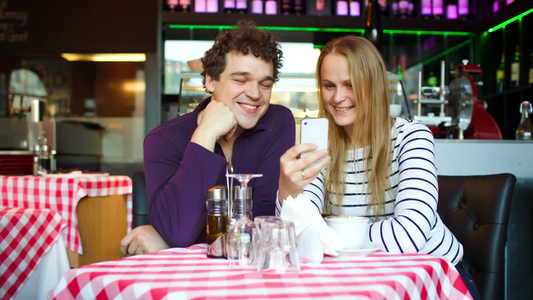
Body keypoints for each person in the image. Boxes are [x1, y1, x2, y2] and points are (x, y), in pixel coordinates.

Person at [276, 35, 480, 300]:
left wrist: (326, 234)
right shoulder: (320, 144)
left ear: (373, 84)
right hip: (362, 278)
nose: (338, 97)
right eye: (329, 85)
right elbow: (296, 234)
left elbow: (409, 236)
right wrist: (286, 188)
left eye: (350, 84)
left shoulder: (412, 136)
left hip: (434, 281)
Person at [121, 20, 295, 255]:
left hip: (253, 271)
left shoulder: (278, 122)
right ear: (210, 80)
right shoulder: (161, 140)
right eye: (240, 80)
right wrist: (204, 134)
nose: (255, 94)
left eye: (265, 84)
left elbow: (265, 219)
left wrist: (170, 240)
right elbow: (179, 228)